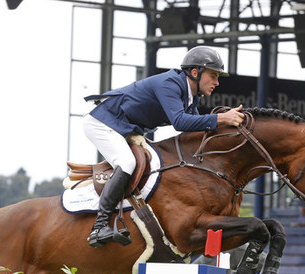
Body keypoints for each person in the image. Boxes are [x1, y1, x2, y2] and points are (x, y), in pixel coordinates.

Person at [83, 46, 245, 248]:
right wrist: (221, 118)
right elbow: (180, 122)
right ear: (195, 73)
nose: (216, 82)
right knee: (127, 162)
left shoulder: (191, 97)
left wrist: (226, 125)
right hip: (103, 122)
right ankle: (99, 227)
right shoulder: (170, 84)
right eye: (213, 76)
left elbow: (194, 132)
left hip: (124, 127)